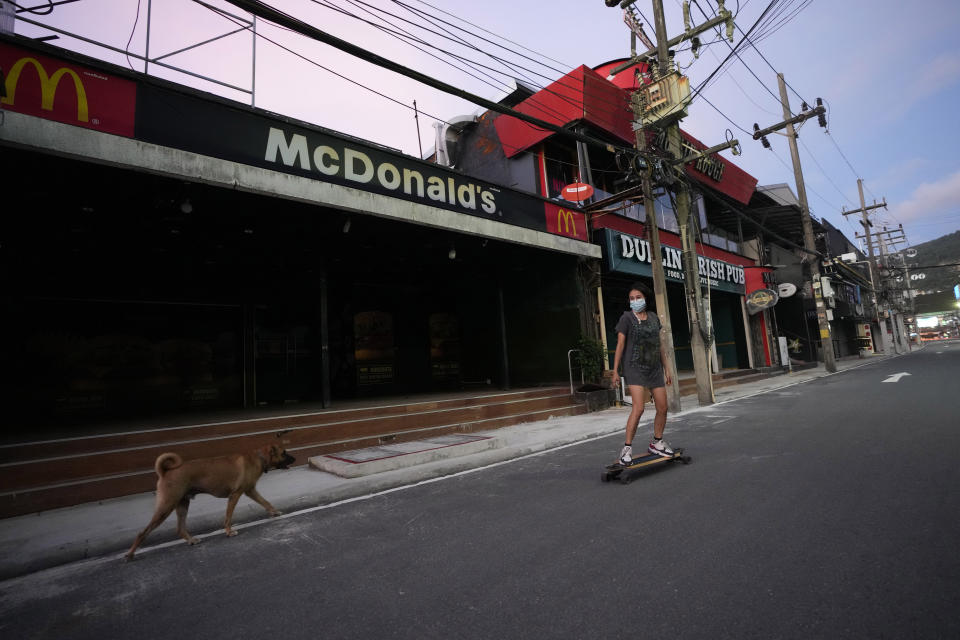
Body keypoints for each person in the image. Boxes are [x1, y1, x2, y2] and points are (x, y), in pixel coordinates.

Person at [610, 282, 673, 464]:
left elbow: (659, 344)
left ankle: (657, 442)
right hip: (634, 367)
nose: (635, 301)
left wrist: (667, 368)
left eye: (638, 297)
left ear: (645, 298)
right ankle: (626, 449)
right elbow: (620, 345)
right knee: (639, 408)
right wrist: (615, 371)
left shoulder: (653, 318)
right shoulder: (627, 318)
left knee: (663, 407)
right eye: (631, 298)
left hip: (654, 368)